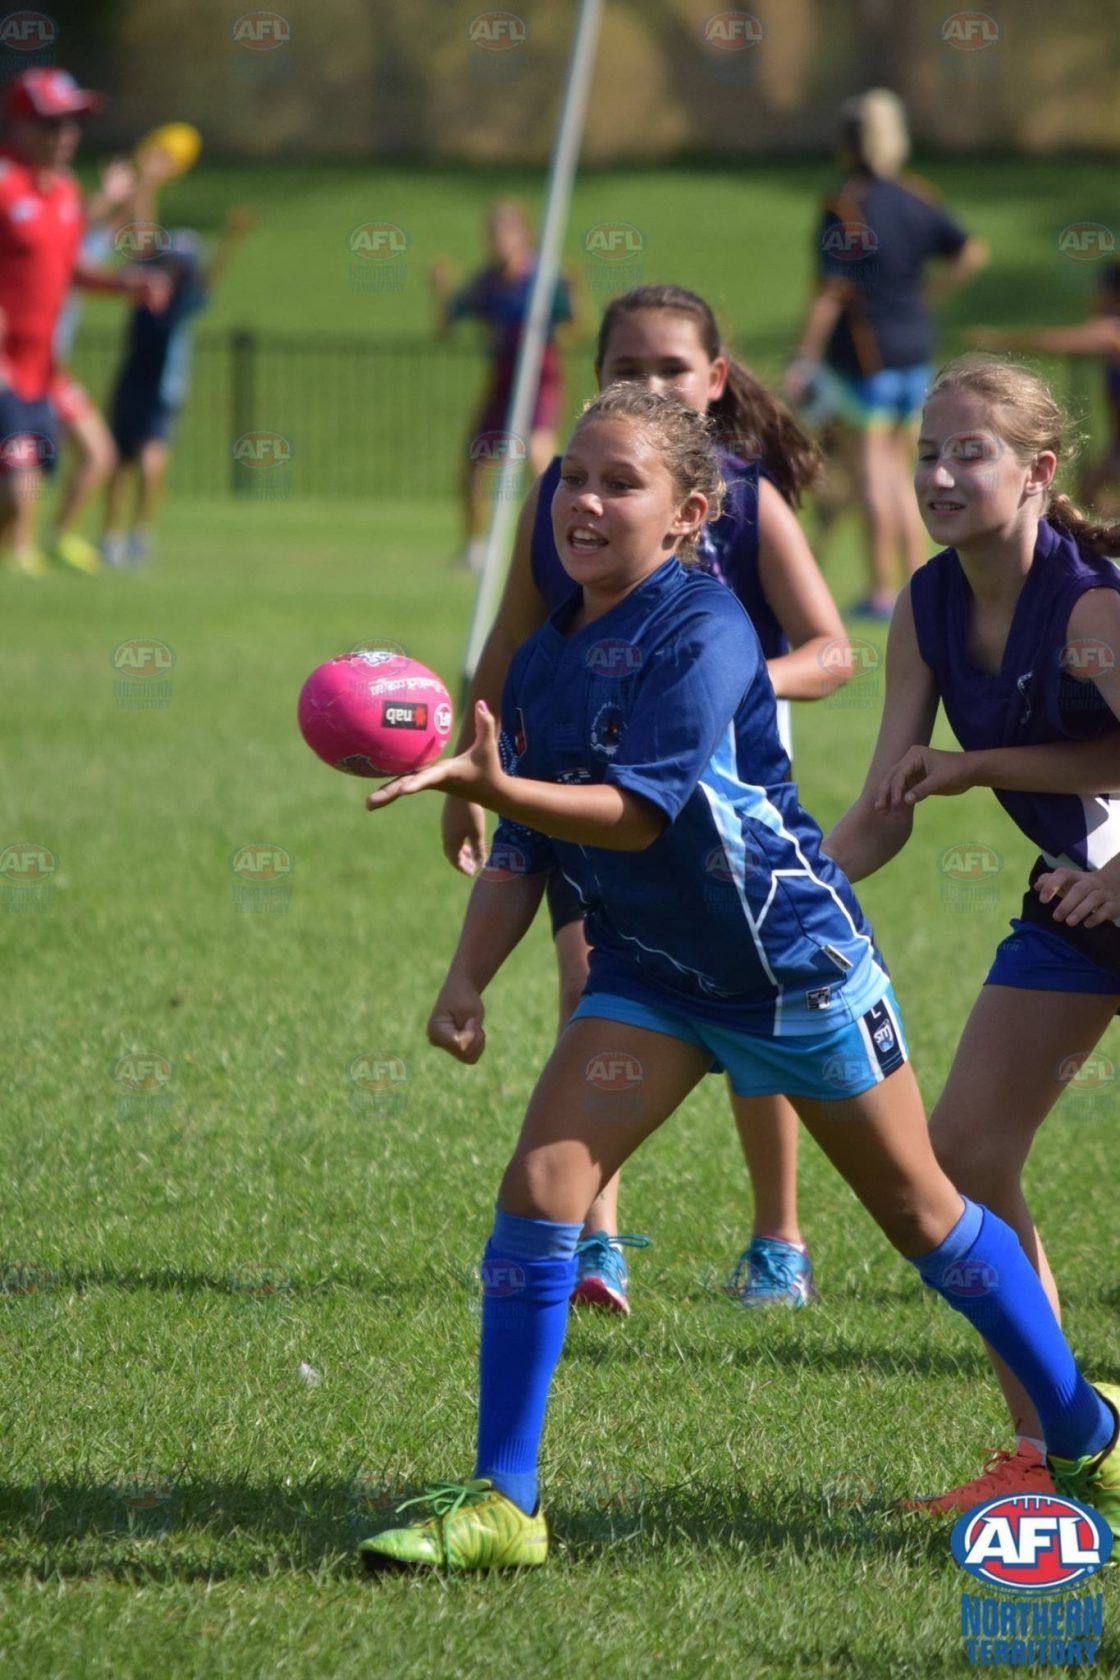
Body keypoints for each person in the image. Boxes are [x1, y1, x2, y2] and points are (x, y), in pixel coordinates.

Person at [357, 384, 1120, 1573]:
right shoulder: (546, 655)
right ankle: (504, 1502)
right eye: (571, 477)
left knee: (925, 1216)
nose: (585, 501)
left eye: (621, 483)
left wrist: (497, 789)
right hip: (654, 976)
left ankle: (1082, 1426)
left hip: (793, 975)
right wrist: (467, 978)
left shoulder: (705, 632)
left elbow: (633, 813)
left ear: (689, 514)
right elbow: (529, 842)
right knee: (544, 1183)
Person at [442, 283, 853, 1314]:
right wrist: (468, 774)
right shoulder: (567, 498)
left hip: (723, 817)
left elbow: (832, 650)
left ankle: (777, 1239)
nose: (650, 382)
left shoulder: (746, 503)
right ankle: (595, 1244)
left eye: (671, 368)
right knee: (593, 999)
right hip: (578, 795)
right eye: (627, 368)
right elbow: (504, 647)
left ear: (715, 381)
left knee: (760, 1037)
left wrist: (723, 685)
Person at [826, 352, 1120, 1511]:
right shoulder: (929, 602)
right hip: (1071, 902)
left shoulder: (1090, 606)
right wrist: (778, 887)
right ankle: (1058, 1449)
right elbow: (889, 803)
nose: (939, 474)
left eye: (970, 453)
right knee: (964, 1157)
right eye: (927, 451)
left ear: (1038, 472)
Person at [785, 88, 987, 620]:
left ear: (848, 141)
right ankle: (918, 580)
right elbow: (970, 251)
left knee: (875, 468)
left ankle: (880, 588)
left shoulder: (844, 205)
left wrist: (803, 357)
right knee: (905, 467)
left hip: (866, 357)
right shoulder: (918, 196)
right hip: (915, 354)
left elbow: (830, 291)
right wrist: (928, 297)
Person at [0, 68, 168, 578]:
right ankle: (22, 554)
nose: (66, 136)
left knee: (92, 454)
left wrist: (125, 285)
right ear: (20, 126)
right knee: (18, 480)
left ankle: (47, 543)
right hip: (5, 361)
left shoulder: (66, 192)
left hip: (44, 364)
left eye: (72, 125)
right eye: (53, 125)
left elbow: (66, 269)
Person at [101, 208, 257, 568]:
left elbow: (212, 277)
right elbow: (141, 235)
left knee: (149, 458)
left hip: (161, 389)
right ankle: (111, 537)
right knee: (119, 462)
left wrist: (232, 239)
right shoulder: (147, 286)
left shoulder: (185, 301)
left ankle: (139, 533)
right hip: (131, 383)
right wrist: (148, 186)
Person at [430, 199, 575, 572]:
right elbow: (446, 326)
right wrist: (441, 291)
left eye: (504, 232)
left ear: (522, 234)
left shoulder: (544, 278)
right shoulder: (487, 283)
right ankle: (475, 547)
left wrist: (571, 301)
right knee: (474, 463)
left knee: (539, 457)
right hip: (503, 379)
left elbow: (572, 327)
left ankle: (557, 544)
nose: (496, 240)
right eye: (491, 233)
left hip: (540, 376)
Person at [968, 265, 1120, 511]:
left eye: (1099, 291)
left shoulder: (1112, 328)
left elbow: (1059, 342)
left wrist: (998, 341)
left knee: (1090, 489)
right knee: (1089, 490)